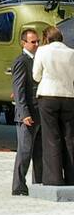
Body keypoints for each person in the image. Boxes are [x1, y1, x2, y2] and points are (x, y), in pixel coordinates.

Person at [32, 25, 74, 187]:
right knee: (69, 138)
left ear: (46, 38)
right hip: (69, 96)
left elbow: (36, 76)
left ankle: (54, 179)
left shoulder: (43, 51)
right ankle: (71, 178)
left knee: (51, 137)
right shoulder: (71, 53)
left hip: (48, 95)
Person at [11, 27, 43, 195]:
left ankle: (38, 183)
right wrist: (24, 114)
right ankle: (18, 186)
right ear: (24, 43)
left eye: (38, 41)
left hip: (38, 113)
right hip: (28, 115)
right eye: (33, 42)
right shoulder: (22, 61)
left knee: (39, 151)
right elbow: (18, 89)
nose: (36, 44)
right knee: (24, 152)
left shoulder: (36, 59)